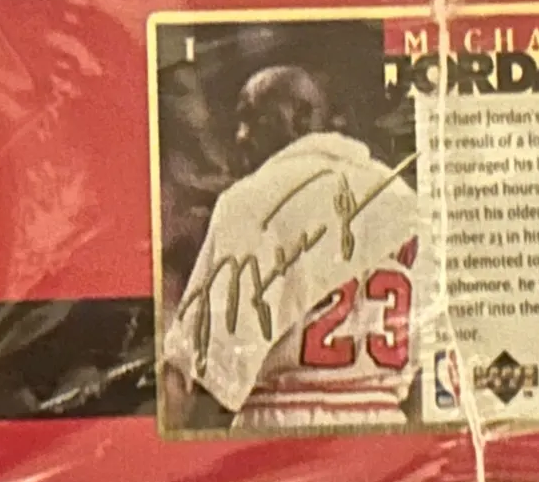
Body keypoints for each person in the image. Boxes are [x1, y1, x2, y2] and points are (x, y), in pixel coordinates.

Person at [161, 65, 421, 431]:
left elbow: (193, 378)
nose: (240, 137)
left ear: (300, 117)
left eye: (254, 120)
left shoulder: (251, 199)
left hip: (280, 419)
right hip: (384, 424)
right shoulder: (403, 199)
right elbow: (429, 364)